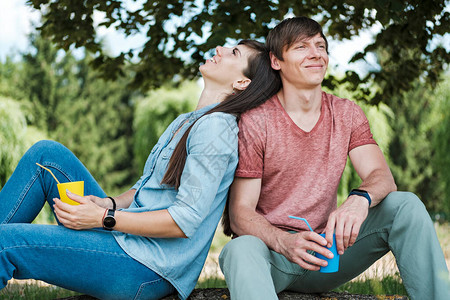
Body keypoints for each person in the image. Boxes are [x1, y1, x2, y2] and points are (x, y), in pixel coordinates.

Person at [0, 40, 281, 300]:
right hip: (129, 242)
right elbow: (144, 189)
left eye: (234, 53)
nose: (220, 48)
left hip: (147, 268)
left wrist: (103, 218)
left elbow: (184, 220)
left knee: (5, 243)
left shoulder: (216, 129)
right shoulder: (188, 121)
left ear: (243, 81)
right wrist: (107, 203)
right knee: (47, 156)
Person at [219, 17, 449, 300]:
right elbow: (240, 213)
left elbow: (382, 176)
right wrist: (284, 242)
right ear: (276, 60)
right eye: (301, 47)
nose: (316, 53)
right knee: (238, 249)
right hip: (273, 258)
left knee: (405, 205)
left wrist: (358, 200)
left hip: (329, 254)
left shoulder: (346, 112)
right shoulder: (257, 121)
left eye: (321, 46)